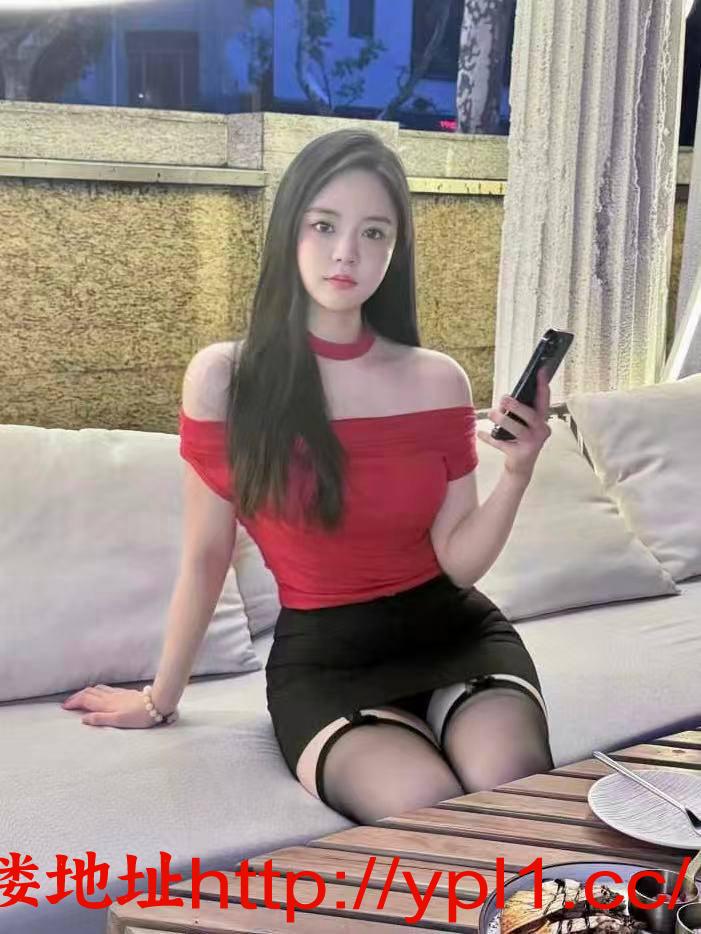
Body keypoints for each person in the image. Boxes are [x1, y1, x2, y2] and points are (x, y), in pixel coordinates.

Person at [61, 128, 555, 824]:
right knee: (434, 817)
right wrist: (158, 698)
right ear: (289, 231)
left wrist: (518, 472)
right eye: (324, 225)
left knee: (518, 795)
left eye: (374, 232)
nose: (346, 252)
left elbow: (458, 562)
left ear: (396, 249)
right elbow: (207, 556)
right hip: (327, 663)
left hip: (458, 637)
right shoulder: (225, 379)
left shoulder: (437, 379)